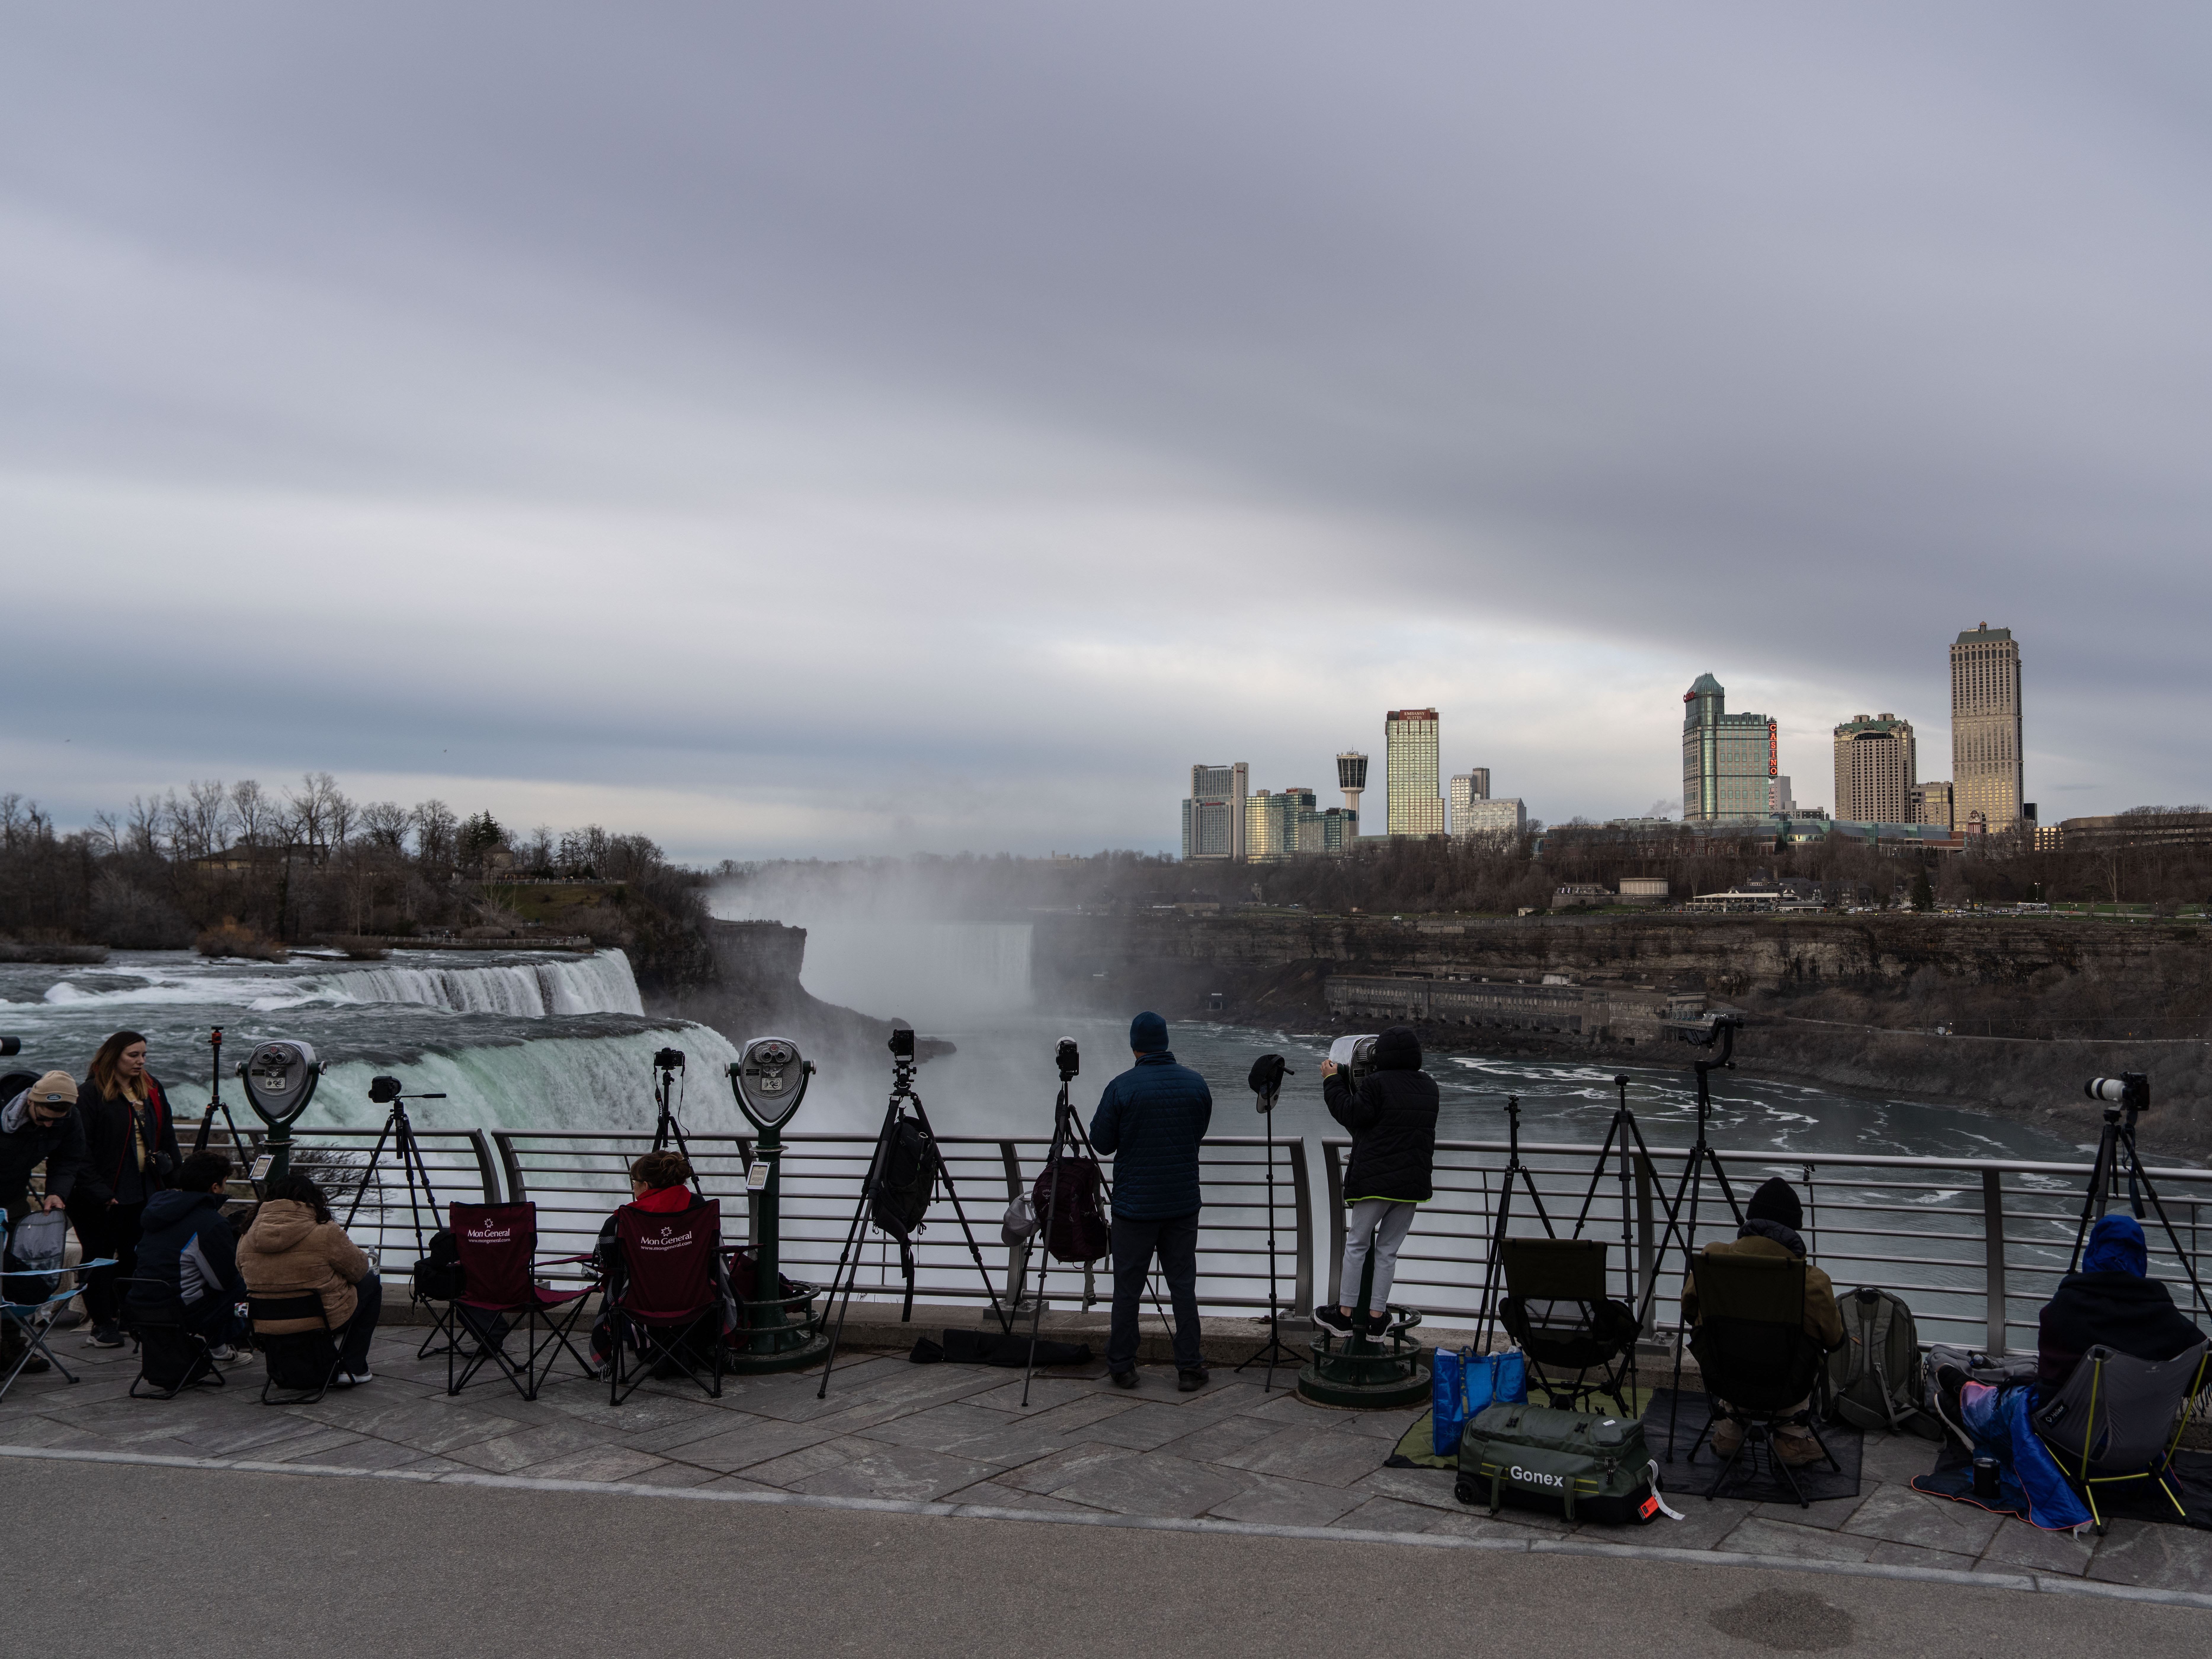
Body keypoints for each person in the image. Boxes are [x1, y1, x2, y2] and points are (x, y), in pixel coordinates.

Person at [1681, 1175, 1844, 1466]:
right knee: (1800, 1352)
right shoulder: (1811, 1281)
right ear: (1794, 1229)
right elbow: (1835, 1339)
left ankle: (1729, 1434)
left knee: (1732, 1344)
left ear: (1751, 1220)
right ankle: (1790, 1440)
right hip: (1785, 1386)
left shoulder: (1713, 1258)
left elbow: (1688, 1310)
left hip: (1725, 1377)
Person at [1089, 1011, 1213, 1391]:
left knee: (1128, 1288)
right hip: (1181, 1204)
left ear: (1134, 1045)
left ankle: (1123, 1365)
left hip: (1134, 1208)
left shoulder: (1121, 1087)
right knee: (1182, 1286)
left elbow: (1102, 1142)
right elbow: (1199, 1130)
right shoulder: (1196, 1084)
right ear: (1165, 1042)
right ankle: (1190, 1367)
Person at [1318, 1027, 1437, 1340]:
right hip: (1412, 1184)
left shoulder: (1376, 1083)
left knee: (1358, 1245)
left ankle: (1344, 1314)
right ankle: (1376, 1316)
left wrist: (1332, 1081)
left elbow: (1352, 1114)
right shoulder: (1430, 1086)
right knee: (1387, 1251)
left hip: (1375, 1181)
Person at [71, 1030, 183, 1348]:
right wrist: (100, 1191)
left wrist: (177, 1181)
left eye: (144, 1054)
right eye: (133, 1055)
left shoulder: (151, 1088)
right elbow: (80, 1151)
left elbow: (168, 1137)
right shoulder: (90, 1094)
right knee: (99, 1258)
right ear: (113, 1055)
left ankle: (127, 1314)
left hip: (143, 1188)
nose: (141, 1061)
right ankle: (101, 1323)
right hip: (100, 1195)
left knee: (137, 1255)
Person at [2034, 1213, 2204, 1402]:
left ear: (2092, 1253)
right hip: (2137, 1426)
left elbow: (2048, 1373)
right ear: (2141, 1259)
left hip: (2064, 1424)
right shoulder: (2166, 1317)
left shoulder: (2063, 1307)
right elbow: (2204, 1359)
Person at [238, 1173, 382, 1387]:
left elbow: (243, 1274)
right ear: (312, 1199)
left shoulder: (247, 1236)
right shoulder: (326, 1232)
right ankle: (352, 1367)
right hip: (320, 1319)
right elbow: (359, 1271)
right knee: (371, 1284)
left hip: (265, 1322)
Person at [590, 1148, 718, 1370]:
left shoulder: (624, 1219)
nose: (633, 1187)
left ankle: (647, 1347)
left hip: (641, 1304)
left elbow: (606, 1264)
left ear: (646, 1186)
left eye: (634, 1182)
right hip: (697, 1301)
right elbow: (713, 1253)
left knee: (621, 1281)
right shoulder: (700, 1208)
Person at [0, 1072, 90, 1377]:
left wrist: (56, 1192)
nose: (50, 1124)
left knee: (13, 1273)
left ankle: (9, 1346)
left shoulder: (67, 1116)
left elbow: (68, 1158)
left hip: (12, 1198)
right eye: (45, 1117)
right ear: (30, 1102)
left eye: (58, 1119)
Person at [125, 1152, 249, 1355]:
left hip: (139, 1304)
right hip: (180, 1312)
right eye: (225, 1182)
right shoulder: (211, 1223)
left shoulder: (159, 1210)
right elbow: (223, 1284)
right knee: (243, 1287)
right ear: (216, 1187)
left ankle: (217, 1346)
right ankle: (224, 1344)